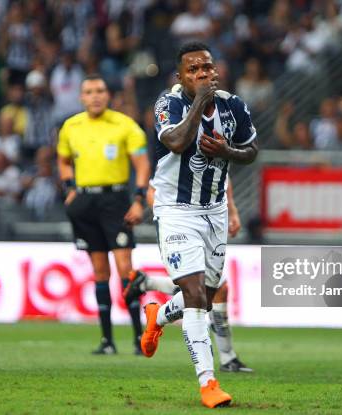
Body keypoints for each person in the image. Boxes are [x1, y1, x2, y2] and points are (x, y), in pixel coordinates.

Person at [139, 42, 258, 408]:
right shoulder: (169, 103)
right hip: (176, 210)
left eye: (207, 67)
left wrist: (227, 152)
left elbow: (251, 151)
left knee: (205, 297)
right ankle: (208, 383)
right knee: (193, 292)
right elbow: (175, 142)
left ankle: (160, 313)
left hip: (215, 212)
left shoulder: (233, 105)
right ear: (181, 77)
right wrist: (198, 103)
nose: (202, 74)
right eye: (193, 70)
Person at [57, 74, 150, 355]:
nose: (95, 95)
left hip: (116, 200)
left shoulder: (125, 126)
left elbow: (142, 164)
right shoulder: (70, 127)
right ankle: (107, 341)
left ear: (108, 95)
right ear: (81, 97)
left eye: (100, 90)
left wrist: (138, 199)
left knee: (125, 268)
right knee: (99, 271)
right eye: (89, 91)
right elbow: (62, 160)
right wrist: (70, 187)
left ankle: (138, 339)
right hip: (85, 202)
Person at [124, 177, 253, 373]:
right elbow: (154, 188)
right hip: (180, 225)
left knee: (209, 290)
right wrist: (170, 215)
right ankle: (225, 360)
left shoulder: (219, 148)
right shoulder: (178, 150)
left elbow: (224, 178)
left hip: (210, 222)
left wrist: (232, 210)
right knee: (207, 288)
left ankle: (149, 288)